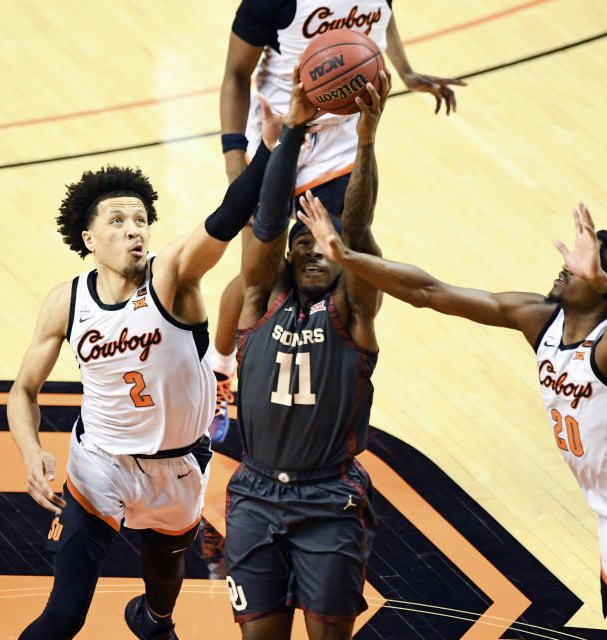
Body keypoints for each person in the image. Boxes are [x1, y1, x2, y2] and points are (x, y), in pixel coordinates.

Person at [297, 198, 607, 639]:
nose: (566, 266)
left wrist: (606, 285)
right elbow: (431, 292)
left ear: (603, 283)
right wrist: (346, 257)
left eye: (582, 266)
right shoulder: (541, 319)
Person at [6, 102, 283, 640]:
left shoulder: (172, 278)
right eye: (117, 221)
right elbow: (23, 390)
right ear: (89, 239)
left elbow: (226, 218)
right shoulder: (66, 302)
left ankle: (153, 621)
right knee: (62, 617)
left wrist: (269, 148)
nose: (135, 230)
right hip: (100, 464)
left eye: (141, 220)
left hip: (179, 467)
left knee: (162, 588)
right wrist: (31, 449)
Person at [209, 0, 466, 435]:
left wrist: (404, 71)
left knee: (345, 261)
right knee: (258, 271)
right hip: (279, 133)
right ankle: (218, 373)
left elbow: (382, 21)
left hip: (340, 149)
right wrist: (236, 161)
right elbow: (236, 74)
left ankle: (323, 372)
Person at [221, 65, 388, 639]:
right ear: (289, 256)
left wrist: (365, 139)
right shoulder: (257, 301)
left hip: (329, 496)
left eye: (325, 246)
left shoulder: (353, 310)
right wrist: (289, 131)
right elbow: (265, 226)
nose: (315, 253)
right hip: (255, 491)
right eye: (304, 244)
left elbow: (360, 228)